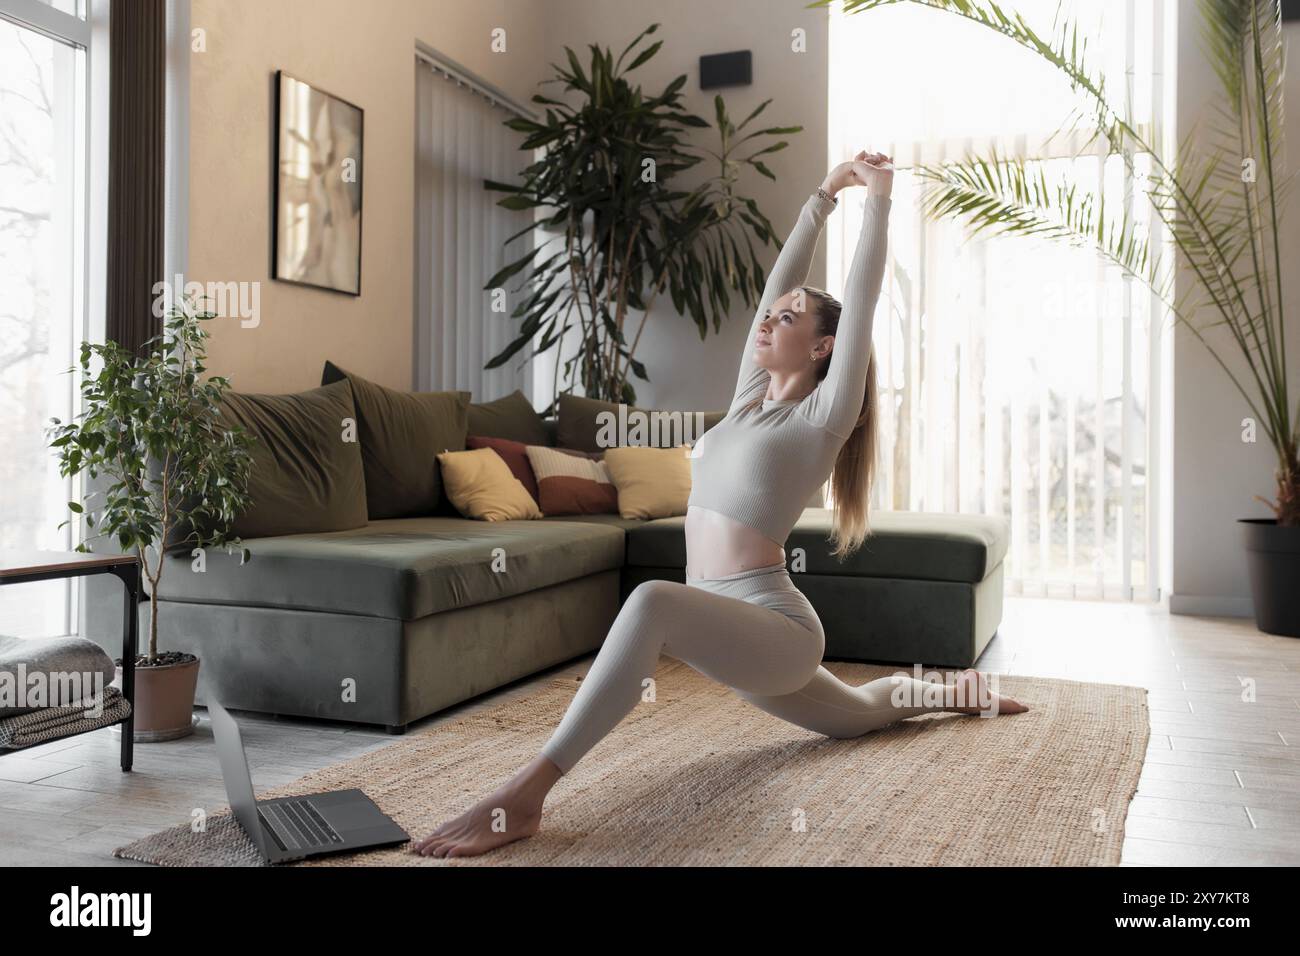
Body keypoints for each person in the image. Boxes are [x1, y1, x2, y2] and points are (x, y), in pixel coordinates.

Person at [411, 150, 1029, 859]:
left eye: (788, 318)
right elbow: (780, 282)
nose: (768, 320)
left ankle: (528, 794)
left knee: (651, 601)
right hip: (732, 629)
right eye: (770, 315)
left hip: (776, 629)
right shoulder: (746, 403)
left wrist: (879, 199)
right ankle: (952, 694)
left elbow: (859, 299)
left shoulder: (821, 418)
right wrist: (823, 193)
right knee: (859, 714)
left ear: (825, 346)